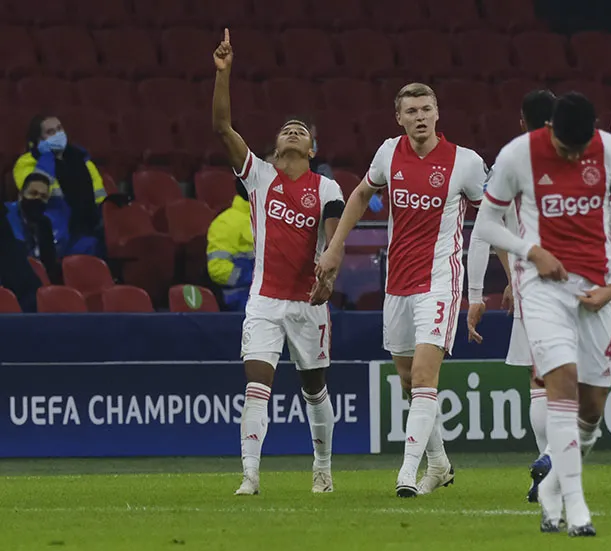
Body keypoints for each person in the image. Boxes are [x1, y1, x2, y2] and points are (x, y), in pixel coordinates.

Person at [473, 92, 611, 536]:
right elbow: (486, 225)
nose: (572, 155)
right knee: (561, 382)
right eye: (565, 148)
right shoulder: (518, 155)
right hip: (541, 284)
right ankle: (576, 506)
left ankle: (552, 485)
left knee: (593, 406)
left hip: (597, 287)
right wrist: (531, 251)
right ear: (550, 131)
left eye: (579, 148)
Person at [315, 82, 487, 497]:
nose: (420, 117)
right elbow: (359, 195)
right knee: (409, 381)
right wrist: (334, 248)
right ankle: (440, 464)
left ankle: (407, 474)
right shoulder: (388, 153)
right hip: (398, 285)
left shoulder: (465, 163)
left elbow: (495, 217)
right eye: (411, 111)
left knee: (426, 376)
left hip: (440, 283)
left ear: (437, 113)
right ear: (399, 118)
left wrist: (485, 286)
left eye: (426, 109)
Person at [212, 29, 346, 495]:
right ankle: (250, 474)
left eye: (302, 131)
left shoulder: (327, 188)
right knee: (257, 386)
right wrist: (223, 74)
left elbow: (333, 234)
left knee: (315, 391)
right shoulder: (259, 176)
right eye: (286, 128)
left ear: (312, 150)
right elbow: (223, 129)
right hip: (265, 301)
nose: (293, 130)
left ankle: (323, 467)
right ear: (274, 145)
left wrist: (328, 271)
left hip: (308, 303)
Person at [464, 89, 556, 501]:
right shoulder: (586, 156)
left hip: (530, 286)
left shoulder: (507, 163)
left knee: (539, 383)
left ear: (522, 121)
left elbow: (484, 230)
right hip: (579, 280)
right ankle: (553, 458)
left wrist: (479, 292)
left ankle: (547, 463)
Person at [13, 114, 105, 253]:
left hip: (90, 226)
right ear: (38, 139)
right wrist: (46, 157)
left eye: (59, 129)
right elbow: (35, 198)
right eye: (50, 132)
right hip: (55, 231)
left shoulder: (81, 159)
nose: (58, 134)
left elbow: (100, 196)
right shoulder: (26, 163)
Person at [206, 179, 254, 311]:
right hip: (241, 300)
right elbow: (217, 268)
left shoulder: (276, 218)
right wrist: (252, 277)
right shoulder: (225, 223)